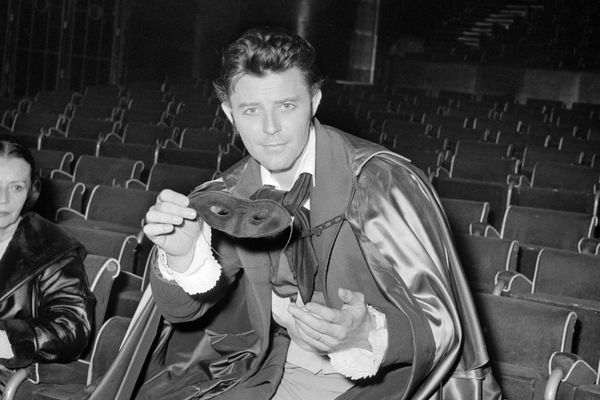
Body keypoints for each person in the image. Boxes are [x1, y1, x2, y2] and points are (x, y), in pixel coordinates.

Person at [142, 27, 500, 400]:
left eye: (287, 106)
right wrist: (182, 259)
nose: (270, 129)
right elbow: (183, 315)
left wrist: (367, 334)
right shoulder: (229, 194)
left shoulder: (383, 183)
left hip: (383, 382)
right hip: (270, 370)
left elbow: (442, 323)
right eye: (251, 110)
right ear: (230, 113)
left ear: (314, 100)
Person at [0, 140, 94, 395]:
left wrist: (8, 341)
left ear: (31, 192)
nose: (3, 199)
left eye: (16, 187)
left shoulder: (53, 249)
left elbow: (72, 326)